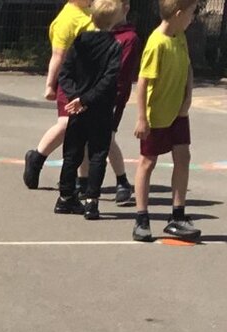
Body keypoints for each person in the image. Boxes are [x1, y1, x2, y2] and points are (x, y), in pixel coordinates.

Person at [133, 0, 200, 242]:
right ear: (179, 14)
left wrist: (188, 98)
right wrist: (142, 118)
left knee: (183, 157)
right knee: (147, 163)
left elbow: (188, 69)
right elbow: (143, 82)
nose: (193, 18)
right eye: (192, 13)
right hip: (157, 115)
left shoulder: (180, 36)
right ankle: (141, 219)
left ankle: (177, 216)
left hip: (178, 113)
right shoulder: (156, 42)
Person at [54, 0, 124, 220]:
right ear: (114, 20)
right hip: (99, 108)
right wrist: (85, 99)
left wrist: (75, 97)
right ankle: (91, 201)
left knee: (72, 153)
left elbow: (64, 74)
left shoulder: (79, 42)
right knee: (97, 154)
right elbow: (109, 79)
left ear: (91, 16)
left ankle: (65, 197)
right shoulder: (114, 46)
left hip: (78, 109)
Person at [23, 0, 93, 190]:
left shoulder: (90, 13)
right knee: (66, 123)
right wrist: (50, 85)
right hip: (70, 82)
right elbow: (58, 55)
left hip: (89, 82)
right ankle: (37, 157)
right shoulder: (66, 19)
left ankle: (83, 180)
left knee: (84, 131)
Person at [106, 1, 140, 205]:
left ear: (125, 8)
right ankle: (82, 182)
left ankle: (122, 182)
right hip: (90, 93)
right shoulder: (99, 32)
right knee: (83, 137)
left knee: (106, 138)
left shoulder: (129, 38)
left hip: (113, 96)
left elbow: (120, 72)